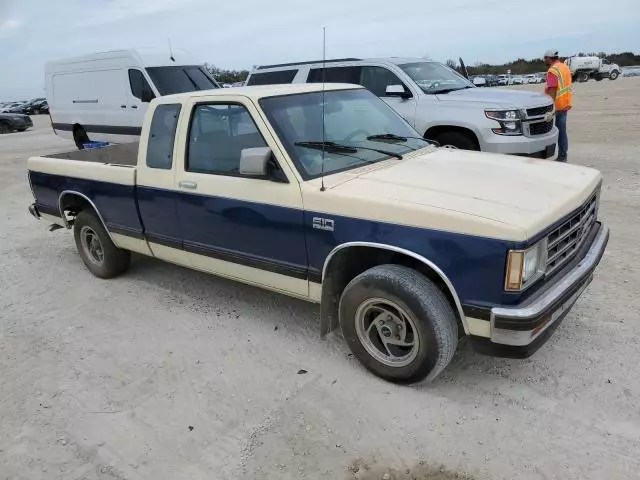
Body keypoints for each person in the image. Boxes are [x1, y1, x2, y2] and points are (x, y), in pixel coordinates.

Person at [543, 49, 573, 162]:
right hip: (566, 102)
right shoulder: (564, 67)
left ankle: (562, 157)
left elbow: (552, 89)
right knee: (562, 131)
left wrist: (550, 108)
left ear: (549, 58)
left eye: (545, 58)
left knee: (559, 132)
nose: (544, 60)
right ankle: (563, 154)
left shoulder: (553, 70)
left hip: (558, 104)